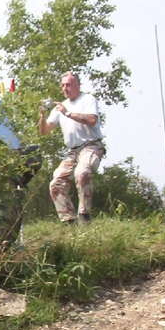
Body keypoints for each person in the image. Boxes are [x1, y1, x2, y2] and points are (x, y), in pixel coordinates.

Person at [38, 71, 105, 225]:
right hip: (73, 152)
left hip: (91, 146)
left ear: (77, 85)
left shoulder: (87, 99)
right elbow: (44, 131)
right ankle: (68, 221)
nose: (65, 88)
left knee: (82, 173)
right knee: (56, 184)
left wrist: (67, 113)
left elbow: (92, 119)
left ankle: (84, 216)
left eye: (68, 85)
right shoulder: (60, 108)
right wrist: (42, 115)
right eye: (63, 85)